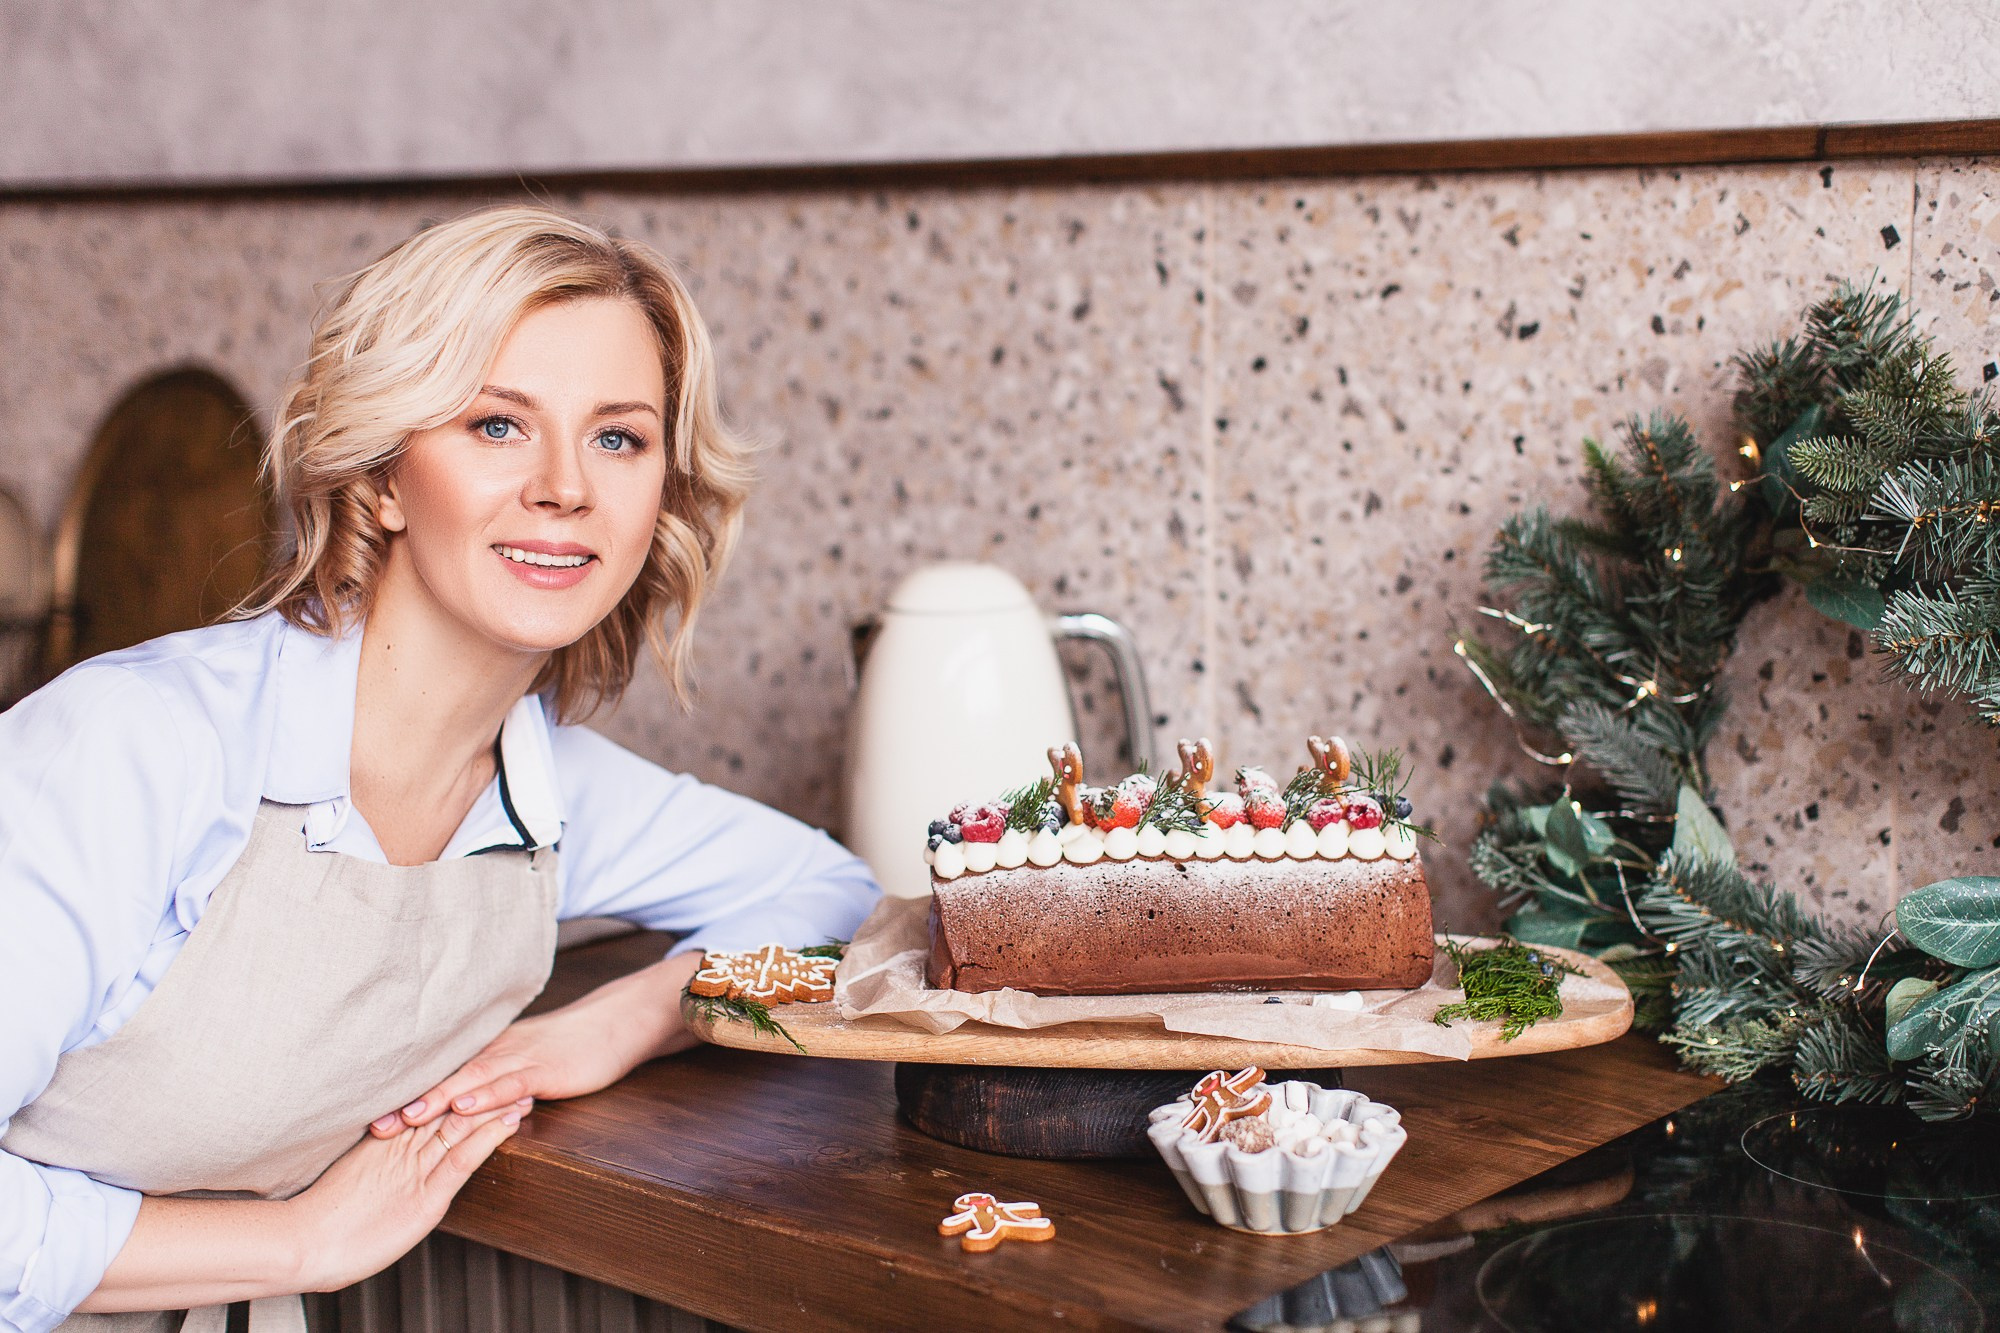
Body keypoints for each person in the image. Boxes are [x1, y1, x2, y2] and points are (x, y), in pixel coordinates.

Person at [0, 205, 881, 1332]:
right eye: (496, 425)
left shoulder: (552, 792)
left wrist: (627, 1019)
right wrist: (302, 1240)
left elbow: (840, 903)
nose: (566, 486)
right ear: (378, 479)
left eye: (618, 437)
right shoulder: (134, 748)